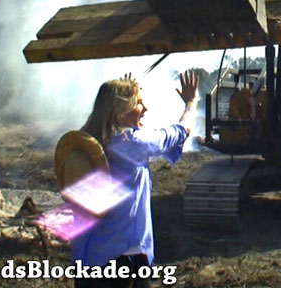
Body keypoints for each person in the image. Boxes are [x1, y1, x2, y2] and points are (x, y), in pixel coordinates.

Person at [69, 71, 198, 288]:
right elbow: (178, 132)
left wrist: (128, 91)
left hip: (89, 260)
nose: (145, 109)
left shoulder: (89, 141)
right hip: (125, 260)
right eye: (138, 103)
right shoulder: (130, 143)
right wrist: (191, 103)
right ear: (119, 111)